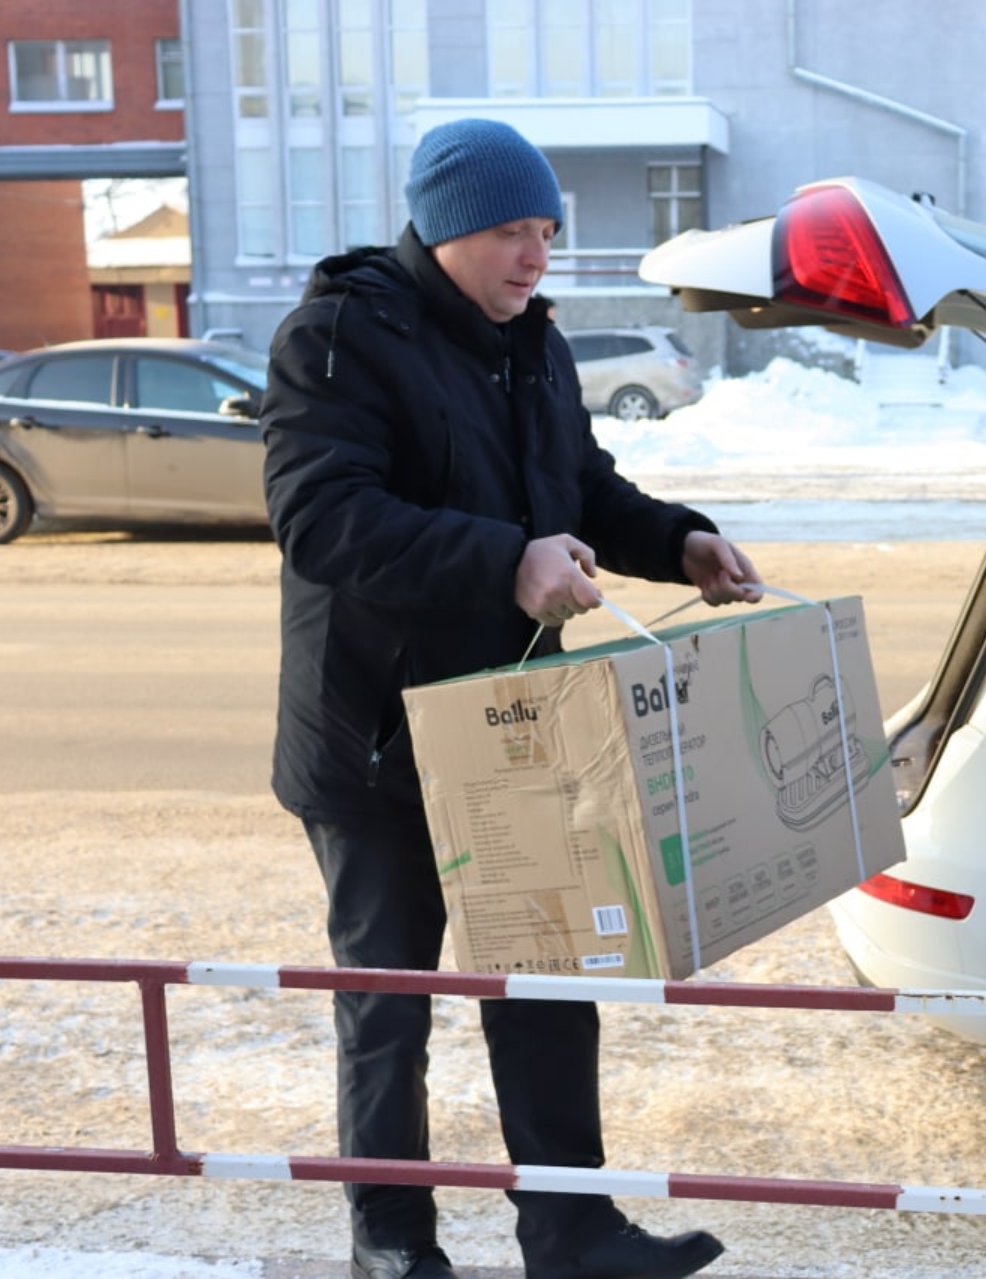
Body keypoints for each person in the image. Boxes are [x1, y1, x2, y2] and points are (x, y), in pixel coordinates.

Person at [260, 117, 758, 1279]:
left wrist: (676, 540)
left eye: (545, 230)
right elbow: (321, 519)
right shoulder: (338, 337)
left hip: (515, 728)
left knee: (545, 985)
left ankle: (573, 1230)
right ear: (441, 227)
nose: (534, 256)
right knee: (389, 1003)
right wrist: (502, 561)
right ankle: (391, 1240)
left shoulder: (531, 342)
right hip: (377, 743)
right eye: (506, 232)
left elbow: (578, 485)